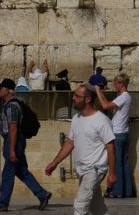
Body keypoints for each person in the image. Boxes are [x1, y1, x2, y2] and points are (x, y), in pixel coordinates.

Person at [46, 84, 116, 215]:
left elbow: (110, 147)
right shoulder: (76, 119)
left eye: (77, 96)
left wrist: (112, 173)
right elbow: (70, 142)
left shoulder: (101, 120)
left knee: (80, 204)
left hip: (95, 169)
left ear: (88, 99)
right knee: (96, 208)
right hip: (82, 169)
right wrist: (54, 163)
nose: (73, 98)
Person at [0, 78, 51, 212]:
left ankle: (2, 202)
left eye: (1, 88)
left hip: (14, 141)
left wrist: (12, 149)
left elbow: (13, 128)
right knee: (22, 171)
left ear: (7, 90)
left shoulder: (11, 107)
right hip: (15, 140)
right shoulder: (11, 105)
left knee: (8, 173)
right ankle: (42, 194)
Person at [95, 73, 134, 199]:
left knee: (116, 162)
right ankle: (127, 191)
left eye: (116, 83)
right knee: (124, 162)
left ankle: (117, 191)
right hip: (124, 133)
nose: (114, 86)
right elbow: (108, 103)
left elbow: (105, 106)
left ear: (121, 84)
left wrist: (97, 90)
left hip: (118, 133)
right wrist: (102, 92)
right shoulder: (126, 97)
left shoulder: (124, 97)